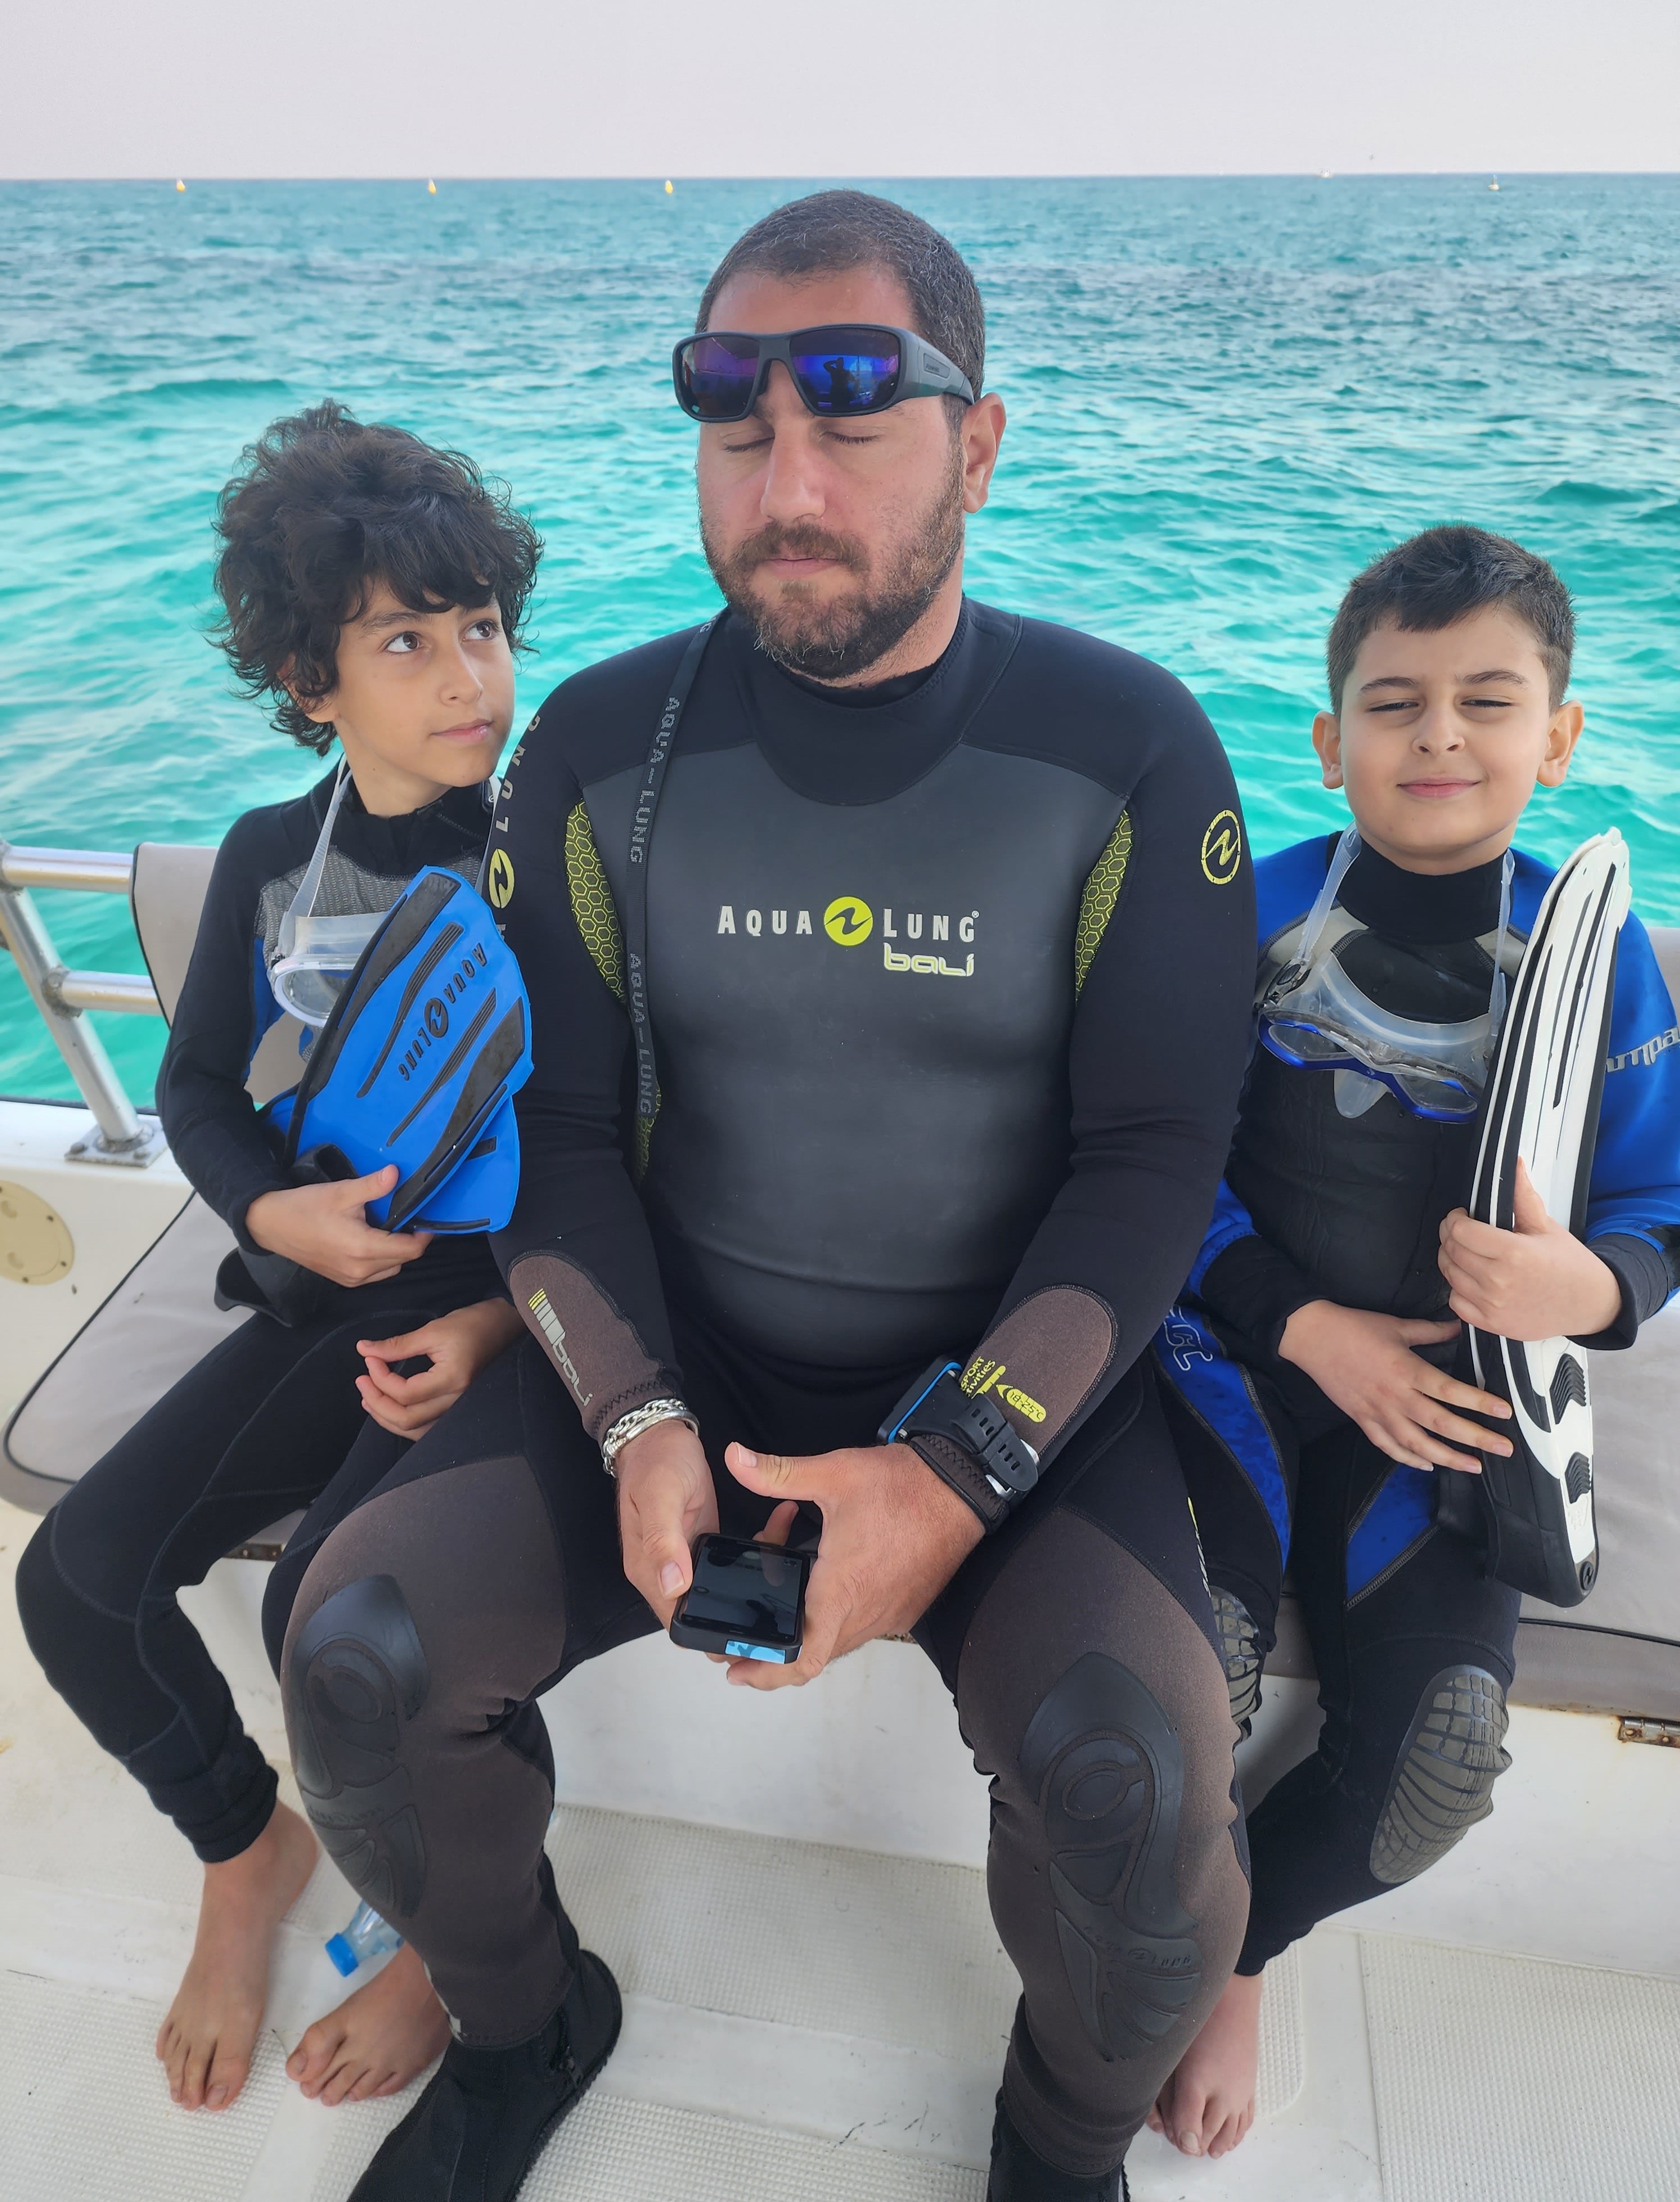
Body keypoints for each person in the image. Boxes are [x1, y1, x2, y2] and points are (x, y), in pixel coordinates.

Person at [272, 190, 1258, 2202]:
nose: (787, 486)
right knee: (358, 1658)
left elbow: (1155, 1162)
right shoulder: (598, 745)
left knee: (1144, 1801)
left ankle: (1059, 2147)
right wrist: (634, 1417)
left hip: (1017, 1395)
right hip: (683, 1360)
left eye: (854, 422)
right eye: (740, 429)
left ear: (979, 445)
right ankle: (528, 2024)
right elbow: (557, 1135)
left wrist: (957, 1474)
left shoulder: (1131, 751)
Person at [15, 401, 538, 2118]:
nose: (467, 676)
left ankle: (448, 1937)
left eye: (484, 627)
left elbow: (621, 1142)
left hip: (504, 1316)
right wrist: (271, 1214)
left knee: (359, 1623)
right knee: (75, 1584)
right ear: (313, 680)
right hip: (323, 1291)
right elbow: (194, 1095)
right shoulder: (264, 864)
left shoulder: (553, 861)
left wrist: (494, 1320)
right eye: (408, 642)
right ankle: (247, 1849)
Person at [1146, 524, 1680, 2161]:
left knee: (1439, 1761)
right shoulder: (1255, 918)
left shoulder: (1599, 963)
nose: (1440, 735)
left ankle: (1243, 1945)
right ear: (1330, 741)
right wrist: (1306, 1330)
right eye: (1394, 703)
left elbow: (1658, 1210)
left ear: (1559, 736)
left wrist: (1580, 1291)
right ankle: (1158, 1921)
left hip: (1454, 1413)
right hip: (1230, 1361)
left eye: (1487, 701)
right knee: (1179, 1680)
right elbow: (1153, 1166)